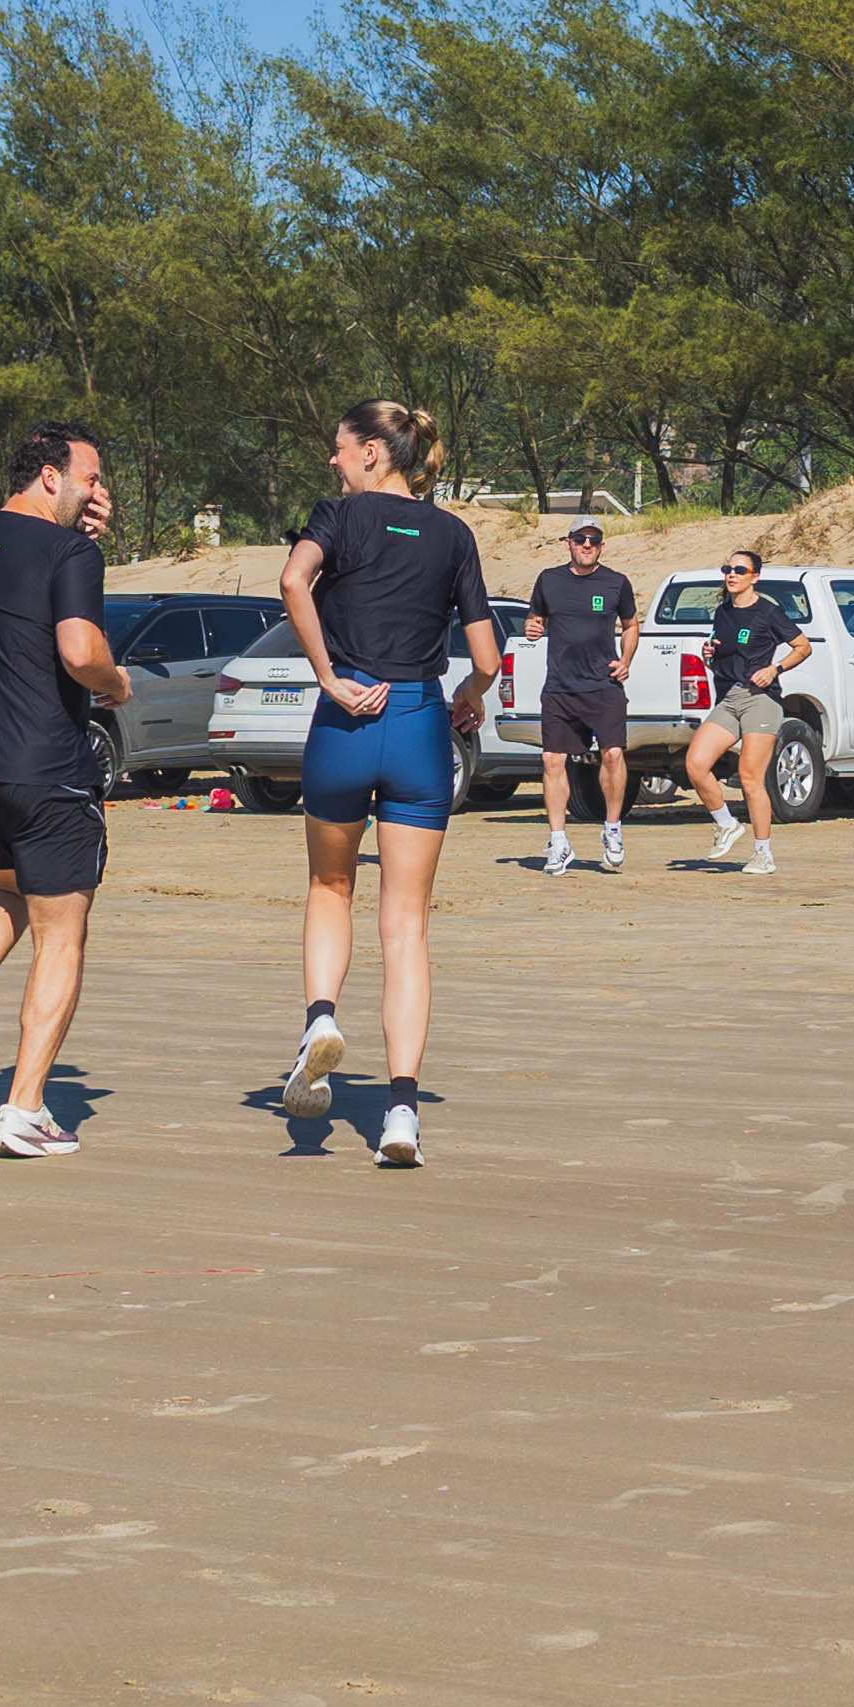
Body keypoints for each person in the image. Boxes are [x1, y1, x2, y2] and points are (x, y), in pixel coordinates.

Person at [274, 401, 504, 1165]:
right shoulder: (453, 533)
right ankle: (402, 1111)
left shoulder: (338, 517)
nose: (332, 462)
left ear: (373, 453)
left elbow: (292, 580)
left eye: (339, 449)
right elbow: (491, 658)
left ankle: (319, 1018)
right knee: (406, 924)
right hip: (418, 722)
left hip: (348, 717)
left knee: (329, 886)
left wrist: (328, 675)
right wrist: (469, 695)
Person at [0, 424, 130, 1158]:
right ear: (50, 474)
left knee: (6, 888)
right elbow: (78, 649)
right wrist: (117, 680)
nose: (97, 491)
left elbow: (10, 579)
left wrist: (80, 536)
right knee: (61, 934)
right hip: (47, 768)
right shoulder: (72, 551)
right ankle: (24, 1109)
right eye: (90, 478)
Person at [682, 548, 810, 875]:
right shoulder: (723, 611)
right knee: (696, 764)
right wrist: (710, 652)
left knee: (751, 777)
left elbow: (803, 646)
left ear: (755, 577)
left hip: (760, 698)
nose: (732, 574)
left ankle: (763, 853)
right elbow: (720, 649)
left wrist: (775, 668)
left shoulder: (768, 612)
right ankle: (726, 824)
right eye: (728, 568)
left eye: (740, 569)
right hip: (729, 697)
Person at [526, 519, 638, 875]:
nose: (587, 545)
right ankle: (558, 841)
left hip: (603, 685)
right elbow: (535, 619)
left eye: (594, 540)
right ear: (568, 543)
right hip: (560, 686)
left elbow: (631, 625)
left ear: (602, 546)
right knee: (551, 761)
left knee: (613, 754)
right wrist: (532, 627)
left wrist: (626, 660)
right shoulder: (549, 579)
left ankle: (612, 829)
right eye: (580, 539)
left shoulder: (616, 582)